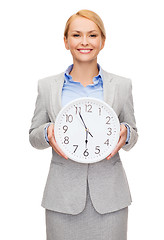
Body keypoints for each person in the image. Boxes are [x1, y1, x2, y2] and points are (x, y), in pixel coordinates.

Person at [29, 9, 138, 240]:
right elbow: (33, 135)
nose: (85, 42)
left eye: (92, 35)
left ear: (103, 41)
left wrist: (126, 133)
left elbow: (133, 132)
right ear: (66, 41)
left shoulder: (121, 85)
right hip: (62, 199)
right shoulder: (47, 86)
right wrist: (47, 132)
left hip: (110, 199)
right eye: (77, 35)